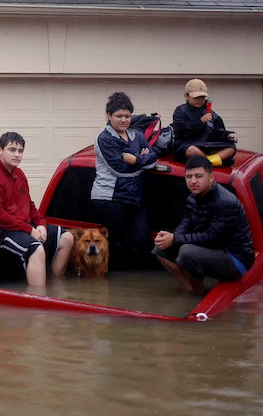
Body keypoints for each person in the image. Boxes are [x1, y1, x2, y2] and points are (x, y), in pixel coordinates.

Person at [0, 132, 73, 286]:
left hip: (19, 224)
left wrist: (41, 224)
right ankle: (38, 300)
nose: (17, 155)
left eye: (20, 151)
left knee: (67, 238)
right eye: (12, 150)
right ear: (0, 150)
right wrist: (30, 230)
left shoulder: (18, 173)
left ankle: (55, 286)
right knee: (36, 249)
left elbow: (29, 204)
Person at [153, 156, 254, 294]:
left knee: (186, 252)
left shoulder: (225, 202)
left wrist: (175, 239)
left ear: (211, 177)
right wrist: (170, 237)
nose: (193, 181)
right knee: (161, 248)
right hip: (212, 250)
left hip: (235, 259)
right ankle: (191, 290)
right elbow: (185, 223)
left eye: (198, 176)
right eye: (189, 176)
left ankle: (197, 296)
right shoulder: (193, 198)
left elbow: (213, 238)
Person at [91, 91, 159, 270]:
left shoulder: (138, 135)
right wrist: (143, 161)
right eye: (119, 116)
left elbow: (154, 160)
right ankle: (114, 283)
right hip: (110, 196)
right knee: (118, 242)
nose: (123, 120)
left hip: (135, 197)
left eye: (127, 116)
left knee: (141, 241)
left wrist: (136, 160)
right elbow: (120, 170)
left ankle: (130, 282)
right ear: (109, 116)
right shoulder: (104, 138)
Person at [172, 78, 237, 167]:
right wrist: (201, 121)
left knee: (231, 147)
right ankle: (210, 161)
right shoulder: (181, 111)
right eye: (196, 97)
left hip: (207, 146)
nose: (199, 100)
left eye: (202, 97)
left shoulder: (212, 114)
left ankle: (208, 161)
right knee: (191, 150)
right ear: (186, 96)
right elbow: (181, 131)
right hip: (188, 144)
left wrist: (229, 135)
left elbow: (218, 131)